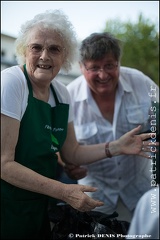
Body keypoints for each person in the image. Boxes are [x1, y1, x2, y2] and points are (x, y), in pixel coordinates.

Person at [1, 11, 158, 240]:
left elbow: (71, 151)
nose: (44, 56)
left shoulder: (62, 93)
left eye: (54, 49)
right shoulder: (11, 82)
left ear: (65, 57)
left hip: (42, 201)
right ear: (24, 50)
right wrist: (64, 190)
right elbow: (3, 163)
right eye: (36, 47)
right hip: (8, 203)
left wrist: (116, 146)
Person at [62, 32, 159, 222]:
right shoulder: (68, 97)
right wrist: (66, 164)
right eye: (94, 68)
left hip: (141, 184)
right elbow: (56, 142)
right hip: (95, 190)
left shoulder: (141, 82)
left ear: (119, 63)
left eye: (109, 65)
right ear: (81, 67)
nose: (103, 74)